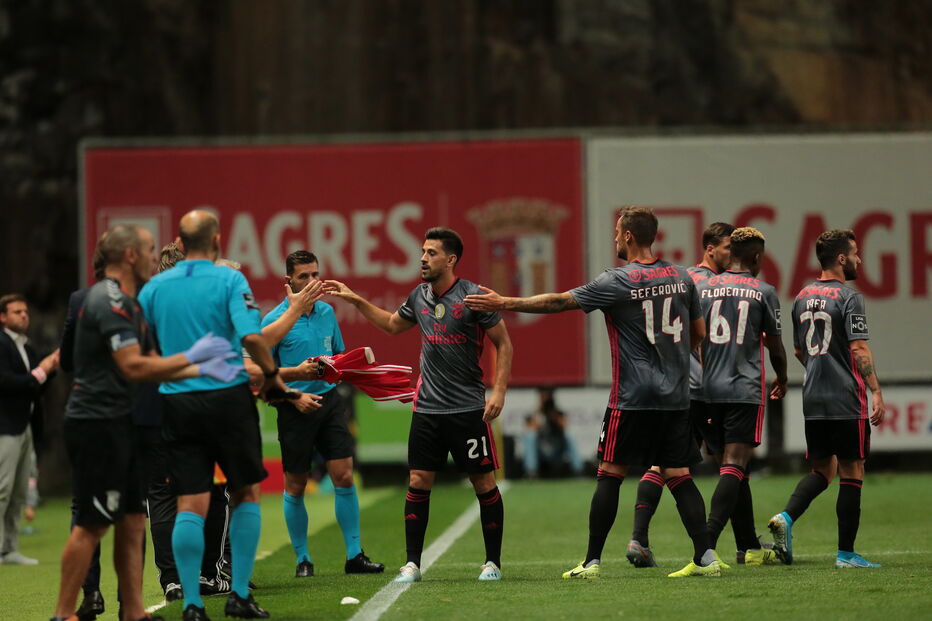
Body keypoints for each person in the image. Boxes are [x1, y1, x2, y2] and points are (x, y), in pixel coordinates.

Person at [466, 206, 719, 579]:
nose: (615, 238)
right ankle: (706, 558)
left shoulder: (618, 280)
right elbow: (698, 333)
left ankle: (592, 562)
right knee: (679, 474)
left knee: (610, 473)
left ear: (630, 236)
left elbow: (559, 301)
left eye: (618, 232)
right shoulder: (683, 278)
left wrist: (506, 302)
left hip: (631, 397)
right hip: (675, 396)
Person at [51, 223, 240, 621]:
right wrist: (198, 359)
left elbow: (152, 366)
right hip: (97, 423)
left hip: (126, 422)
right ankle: (63, 613)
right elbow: (135, 366)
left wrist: (208, 369)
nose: (158, 257)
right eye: (151, 249)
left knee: (135, 520)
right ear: (131, 255)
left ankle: (133, 611)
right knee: (91, 524)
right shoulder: (108, 301)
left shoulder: (133, 304)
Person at [324, 226, 513, 583]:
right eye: (423, 252)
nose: (422, 258)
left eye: (431, 253)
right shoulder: (419, 296)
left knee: (483, 483)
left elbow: (504, 343)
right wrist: (355, 300)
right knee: (418, 479)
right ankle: (412, 564)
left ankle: (492, 563)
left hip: (468, 409)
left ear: (450, 259)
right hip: (426, 409)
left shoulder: (473, 297)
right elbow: (393, 326)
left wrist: (499, 391)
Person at [138, 210, 289, 620]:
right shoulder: (229, 280)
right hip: (226, 398)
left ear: (181, 245)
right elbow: (252, 336)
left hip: (176, 404)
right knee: (244, 494)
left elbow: (143, 352)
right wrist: (272, 376)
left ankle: (190, 602)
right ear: (218, 240)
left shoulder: (154, 289)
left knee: (190, 500)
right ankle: (238, 595)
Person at [256, 250, 383, 578]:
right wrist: (294, 393)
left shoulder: (327, 312)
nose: (313, 282)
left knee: (343, 475)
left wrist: (367, 375)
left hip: (329, 404)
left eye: (315, 274)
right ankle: (303, 559)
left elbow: (338, 358)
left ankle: (354, 555)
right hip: (293, 406)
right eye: (304, 277)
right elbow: (261, 374)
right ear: (289, 281)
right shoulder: (273, 322)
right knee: (296, 484)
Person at [768, 229, 885, 569]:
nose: (860, 259)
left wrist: (821, 369)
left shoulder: (802, 296)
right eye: (855, 252)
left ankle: (786, 517)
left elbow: (799, 351)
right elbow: (859, 348)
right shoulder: (849, 298)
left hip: (813, 396)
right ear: (841, 258)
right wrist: (875, 390)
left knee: (823, 468)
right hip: (845, 397)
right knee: (853, 470)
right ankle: (846, 554)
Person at [627, 222, 734, 568]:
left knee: (667, 464)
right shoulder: (701, 282)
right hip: (700, 387)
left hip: (676, 388)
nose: (731, 254)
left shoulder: (681, 279)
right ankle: (711, 548)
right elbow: (701, 335)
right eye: (727, 247)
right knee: (728, 464)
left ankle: (640, 539)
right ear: (709, 248)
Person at [696, 227, 787, 566]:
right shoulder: (764, 291)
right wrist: (784, 376)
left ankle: (747, 546)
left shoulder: (703, 288)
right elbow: (775, 346)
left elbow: (694, 338)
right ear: (756, 257)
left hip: (708, 390)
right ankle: (705, 544)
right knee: (735, 465)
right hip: (743, 388)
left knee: (733, 470)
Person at [0, 293, 59, 566]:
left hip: (26, 427)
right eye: (16, 312)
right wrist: (42, 370)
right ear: (3, 317)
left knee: (18, 493)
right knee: (2, 488)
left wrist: (51, 369)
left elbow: (36, 387)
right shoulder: (1, 344)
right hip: (5, 427)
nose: (23, 315)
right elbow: (8, 383)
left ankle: (9, 548)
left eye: (25, 311)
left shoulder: (27, 346)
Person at [522, 388, 584, 478]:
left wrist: (554, 418)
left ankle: (578, 470)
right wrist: (540, 416)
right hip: (541, 451)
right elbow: (529, 428)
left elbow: (564, 426)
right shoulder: (535, 414)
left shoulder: (558, 413)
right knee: (530, 436)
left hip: (556, 450)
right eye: (543, 397)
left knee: (569, 436)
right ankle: (531, 471)